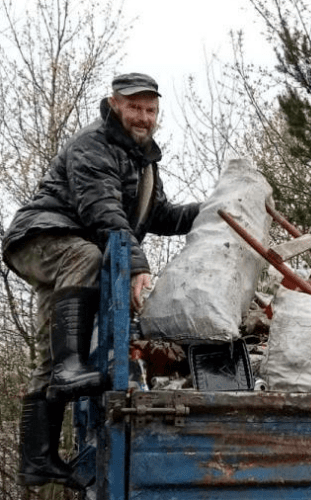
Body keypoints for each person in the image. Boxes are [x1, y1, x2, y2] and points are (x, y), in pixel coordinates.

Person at [2, 73, 201, 489]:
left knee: (49, 357)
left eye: (150, 110)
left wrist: (211, 211)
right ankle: (71, 368)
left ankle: (37, 461)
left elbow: (160, 216)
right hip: (41, 237)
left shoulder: (144, 161)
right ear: (114, 105)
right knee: (88, 255)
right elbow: (103, 213)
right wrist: (136, 264)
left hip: (68, 253)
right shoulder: (92, 145)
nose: (143, 117)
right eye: (134, 107)